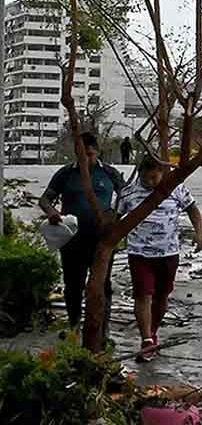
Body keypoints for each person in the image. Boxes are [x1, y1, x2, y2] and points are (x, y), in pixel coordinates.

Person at [38, 132, 126, 337]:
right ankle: (74, 327)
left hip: (101, 241)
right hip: (72, 240)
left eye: (89, 154)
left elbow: (127, 197)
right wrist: (52, 213)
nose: (86, 159)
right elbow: (45, 199)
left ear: (97, 152)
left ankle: (101, 331)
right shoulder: (66, 173)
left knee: (102, 286)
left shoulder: (110, 174)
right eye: (81, 154)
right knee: (73, 285)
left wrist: (115, 217)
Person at [118, 154, 202, 362]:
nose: (150, 183)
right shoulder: (128, 193)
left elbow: (193, 210)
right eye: (146, 178)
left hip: (168, 253)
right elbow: (114, 218)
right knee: (143, 295)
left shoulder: (175, 188)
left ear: (162, 174)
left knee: (162, 297)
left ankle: (153, 331)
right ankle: (146, 339)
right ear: (140, 174)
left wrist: (199, 234)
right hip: (139, 253)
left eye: (154, 178)